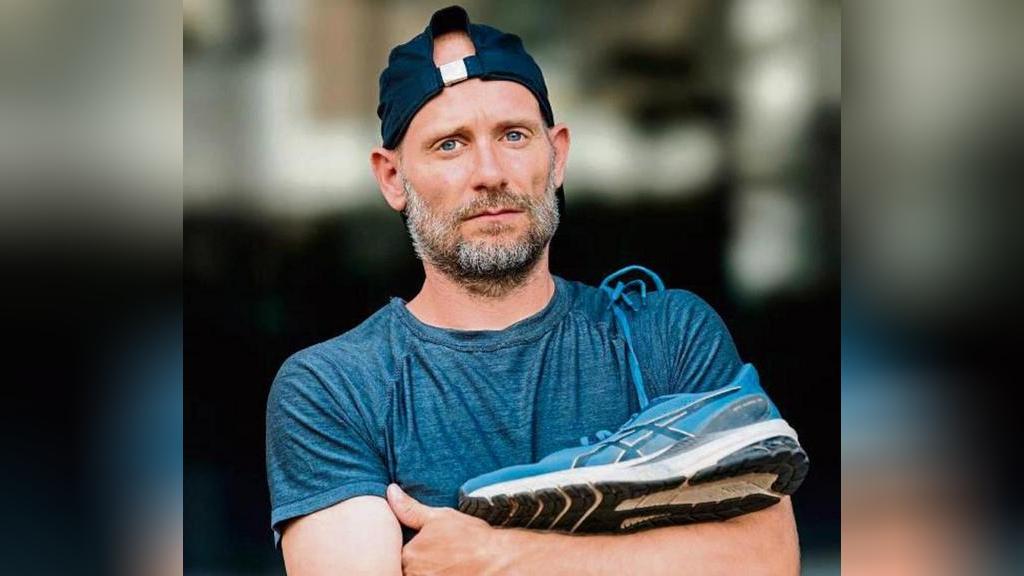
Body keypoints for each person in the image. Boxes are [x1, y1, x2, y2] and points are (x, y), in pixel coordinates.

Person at [266, 6, 800, 575]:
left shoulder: (665, 337)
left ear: (557, 154)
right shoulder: (336, 388)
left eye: (513, 135)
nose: (490, 172)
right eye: (450, 144)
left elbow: (767, 562)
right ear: (393, 178)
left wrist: (502, 557)